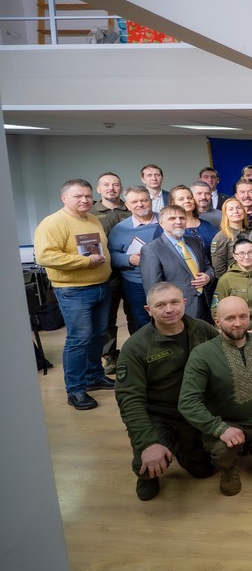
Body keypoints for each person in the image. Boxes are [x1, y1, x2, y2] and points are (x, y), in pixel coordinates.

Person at [114, 282, 218, 500]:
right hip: (159, 415)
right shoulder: (135, 346)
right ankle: (148, 470)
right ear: (148, 310)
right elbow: (129, 399)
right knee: (149, 466)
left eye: (174, 302)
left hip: (194, 412)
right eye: (160, 305)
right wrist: (147, 443)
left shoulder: (202, 329)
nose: (169, 309)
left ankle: (182, 447)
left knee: (204, 471)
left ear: (184, 303)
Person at [178, 296, 252, 495]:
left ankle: (249, 446)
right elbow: (187, 402)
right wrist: (220, 428)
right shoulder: (202, 354)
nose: (238, 323)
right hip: (226, 422)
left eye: (243, 316)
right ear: (217, 321)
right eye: (230, 318)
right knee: (223, 450)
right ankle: (228, 469)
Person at [34, 178, 114, 410]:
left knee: (98, 335)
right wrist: (85, 262)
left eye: (88, 196)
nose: (85, 200)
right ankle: (75, 390)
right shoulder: (53, 223)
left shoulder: (92, 219)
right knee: (79, 340)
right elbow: (45, 256)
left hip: (101, 286)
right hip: (74, 290)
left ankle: (93, 376)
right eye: (78, 196)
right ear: (64, 198)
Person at [139, 204, 214, 323]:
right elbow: (153, 288)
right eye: (172, 218)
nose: (178, 222)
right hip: (176, 311)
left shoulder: (195, 242)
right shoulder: (151, 249)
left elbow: (208, 266)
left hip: (205, 304)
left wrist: (208, 276)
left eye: (182, 218)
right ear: (161, 223)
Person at [91, 171, 132, 369]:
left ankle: (138, 352)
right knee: (108, 317)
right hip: (107, 272)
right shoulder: (90, 213)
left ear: (121, 188)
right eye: (106, 185)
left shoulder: (131, 208)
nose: (111, 188)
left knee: (137, 314)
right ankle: (109, 355)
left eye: (115, 184)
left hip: (132, 270)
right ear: (98, 189)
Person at [109, 186, 161, 331]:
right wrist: (129, 259)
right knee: (142, 321)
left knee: (168, 317)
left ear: (150, 201)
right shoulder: (120, 229)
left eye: (144, 200)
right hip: (136, 283)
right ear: (127, 205)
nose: (140, 204)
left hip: (166, 280)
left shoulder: (166, 221)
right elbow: (111, 255)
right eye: (134, 202)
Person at [211, 238, 252, 343]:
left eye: (250, 252)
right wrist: (230, 328)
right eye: (241, 253)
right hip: (232, 328)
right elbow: (215, 309)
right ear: (234, 256)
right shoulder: (226, 279)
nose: (246, 257)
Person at [209, 198, 249, 279]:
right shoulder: (221, 237)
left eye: (239, 208)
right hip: (233, 282)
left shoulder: (251, 233)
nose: (236, 211)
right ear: (225, 214)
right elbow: (218, 270)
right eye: (231, 209)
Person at [169, 184, 218, 250]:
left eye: (190, 198)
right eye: (181, 199)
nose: (187, 201)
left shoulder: (207, 225)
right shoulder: (168, 228)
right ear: (173, 203)